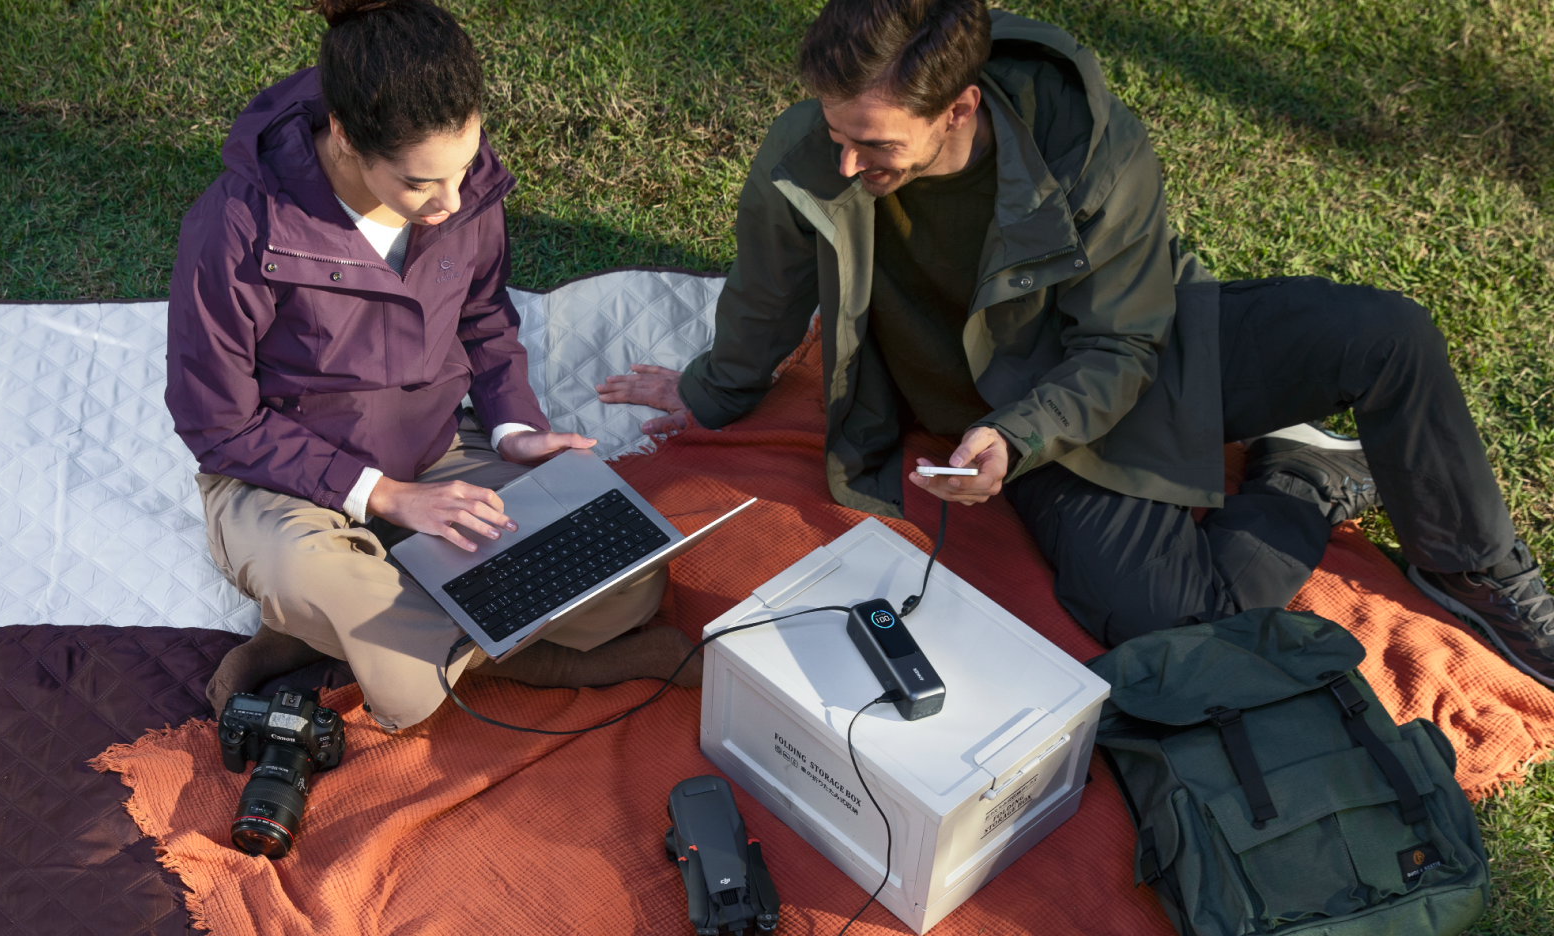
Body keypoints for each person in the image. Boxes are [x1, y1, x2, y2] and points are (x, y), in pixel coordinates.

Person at [597, 0, 1554, 687]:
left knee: (1387, 333)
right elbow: (768, 293)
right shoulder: (809, 151)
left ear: (959, 109)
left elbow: (1124, 341)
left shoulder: (1091, 144)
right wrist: (714, 390)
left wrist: (1023, 431)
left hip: (1141, 343)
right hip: (1021, 415)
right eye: (836, 132)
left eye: (876, 145)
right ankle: (1300, 474)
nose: (847, 162)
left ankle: (1472, 563)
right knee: (1177, 629)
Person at [167, 0, 698, 732]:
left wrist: (514, 428)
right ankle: (556, 665)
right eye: (421, 184)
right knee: (402, 678)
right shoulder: (237, 229)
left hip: (435, 453)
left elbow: (484, 320)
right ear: (347, 139)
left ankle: (320, 635)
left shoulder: (461, 188)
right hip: (282, 480)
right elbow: (217, 423)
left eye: (465, 166)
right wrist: (383, 496)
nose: (454, 201)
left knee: (630, 578)